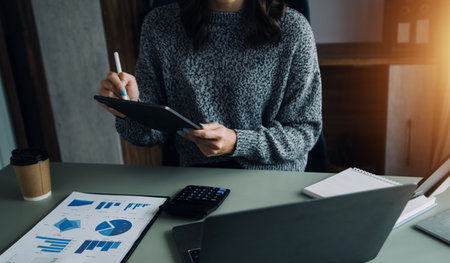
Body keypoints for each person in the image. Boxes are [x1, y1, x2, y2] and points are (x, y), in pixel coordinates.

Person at [98, 0, 322, 171]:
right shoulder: (160, 25)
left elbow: (304, 131)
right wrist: (131, 107)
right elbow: (147, 135)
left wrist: (237, 142)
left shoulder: (294, 30)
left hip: (270, 177)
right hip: (197, 179)